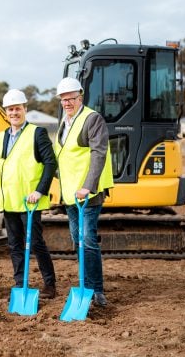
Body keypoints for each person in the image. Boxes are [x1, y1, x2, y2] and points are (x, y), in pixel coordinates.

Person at [0, 89, 58, 299]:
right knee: (14, 244)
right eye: (10, 109)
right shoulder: (1, 136)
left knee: (36, 242)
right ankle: (20, 283)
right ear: (6, 112)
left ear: (25, 109)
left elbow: (50, 162)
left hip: (30, 200)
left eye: (17, 108)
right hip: (9, 199)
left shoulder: (37, 133)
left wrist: (39, 190)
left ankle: (50, 284)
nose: (14, 112)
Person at [54, 77, 114, 307]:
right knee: (77, 240)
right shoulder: (65, 121)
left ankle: (96, 291)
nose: (67, 102)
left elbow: (99, 153)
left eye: (70, 98)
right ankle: (86, 286)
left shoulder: (92, 119)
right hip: (71, 193)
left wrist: (88, 186)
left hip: (88, 193)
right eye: (63, 99)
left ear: (80, 97)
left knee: (88, 240)